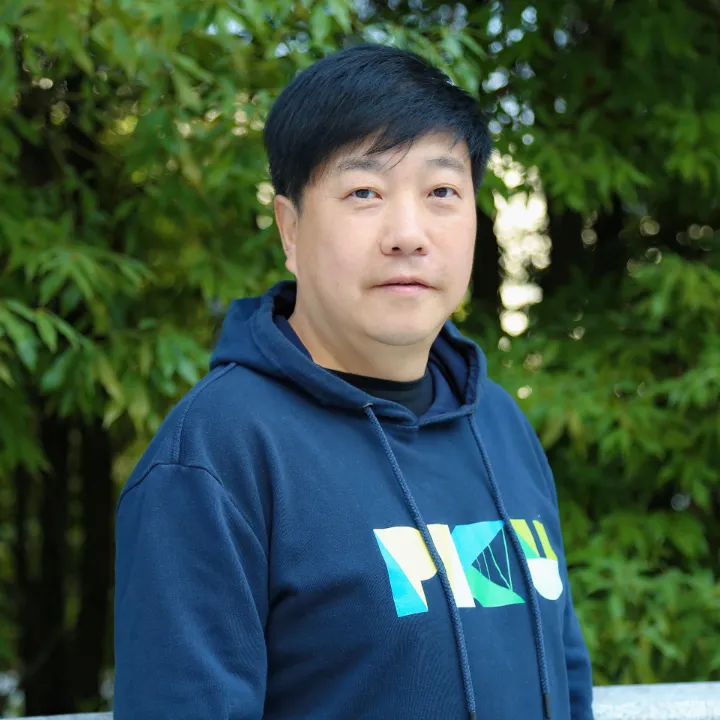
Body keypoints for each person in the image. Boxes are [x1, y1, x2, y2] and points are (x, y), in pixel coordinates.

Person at [113, 43, 594, 720]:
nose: (408, 234)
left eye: (442, 193)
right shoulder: (216, 457)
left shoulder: (498, 423)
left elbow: (567, 682)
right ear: (290, 228)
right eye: (364, 192)